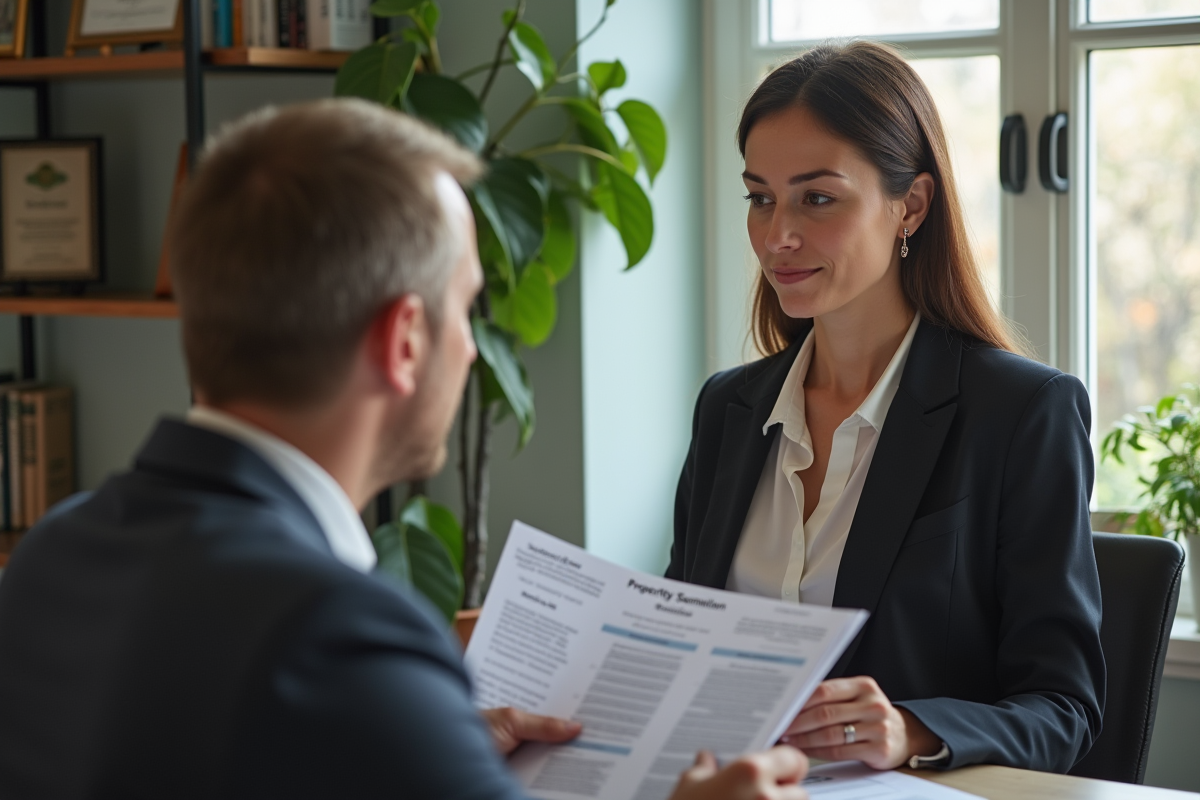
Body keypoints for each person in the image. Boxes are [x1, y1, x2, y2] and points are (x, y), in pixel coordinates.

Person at [0, 100, 809, 800]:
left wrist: (428, 744)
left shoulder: (53, 553)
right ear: (406, 340)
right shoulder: (337, 638)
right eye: (465, 309)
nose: (472, 347)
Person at [668, 41, 1105, 774]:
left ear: (912, 205)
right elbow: (679, 645)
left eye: (817, 198)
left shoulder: (1023, 413)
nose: (777, 236)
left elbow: (1064, 708)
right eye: (760, 197)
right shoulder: (727, 409)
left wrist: (910, 730)